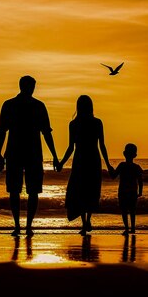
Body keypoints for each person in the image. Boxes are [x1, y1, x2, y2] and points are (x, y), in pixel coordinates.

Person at [0, 75, 60, 236]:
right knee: (26, 190)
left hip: (17, 152)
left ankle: (21, 226)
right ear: (28, 87)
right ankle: (24, 226)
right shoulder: (36, 106)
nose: (32, 89)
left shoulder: (11, 105)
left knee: (19, 190)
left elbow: (46, 132)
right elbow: (46, 133)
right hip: (29, 152)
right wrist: (54, 155)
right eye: (32, 86)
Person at [58, 95, 113, 235]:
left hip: (80, 159)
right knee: (91, 190)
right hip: (93, 158)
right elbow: (102, 145)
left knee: (80, 190)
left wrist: (61, 163)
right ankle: (88, 220)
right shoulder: (97, 122)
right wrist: (108, 164)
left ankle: (84, 223)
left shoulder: (74, 124)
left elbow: (71, 147)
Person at [109, 143, 143, 235]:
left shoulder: (122, 165)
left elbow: (113, 176)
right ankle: (133, 228)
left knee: (124, 210)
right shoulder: (136, 167)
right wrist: (140, 192)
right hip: (133, 191)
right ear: (135, 155)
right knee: (132, 210)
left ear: (124, 153)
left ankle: (127, 228)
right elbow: (140, 180)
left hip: (123, 191)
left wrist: (110, 168)